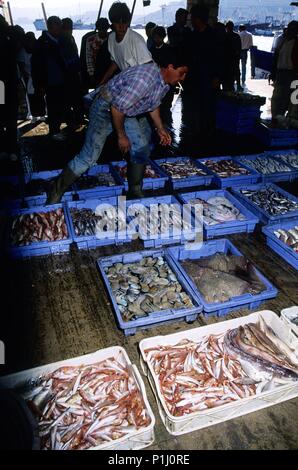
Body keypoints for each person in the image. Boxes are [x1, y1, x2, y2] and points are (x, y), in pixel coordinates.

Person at [46, 60, 188, 204]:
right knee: (89, 156)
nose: (182, 79)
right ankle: (56, 188)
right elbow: (116, 108)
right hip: (105, 108)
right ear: (170, 66)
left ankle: (135, 191)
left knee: (141, 147)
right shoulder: (145, 80)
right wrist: (121, 136)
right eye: (181, 74)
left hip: (124, 110)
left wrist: (160, 128)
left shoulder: (163, 82)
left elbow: (153, 105)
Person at [183, 5, 221, 137]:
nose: (191, 20)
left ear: (199, 19)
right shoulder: (191, 36)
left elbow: (219, 58)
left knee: (207, 108)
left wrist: (216, 77)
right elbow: (186, 57)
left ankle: (207, 136)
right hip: (192, 78)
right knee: (192, 108)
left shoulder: (213, 36)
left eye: (193, 18)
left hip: (208, 78)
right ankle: (193, 134)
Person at [31, 16, 69, 141]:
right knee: (53, 108)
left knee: (59, 106)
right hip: (49, 82)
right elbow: (36, 66)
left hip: (61, 81)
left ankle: (56, 129)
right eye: (57, 28)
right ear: (50, 28)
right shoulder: (41, 43)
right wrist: (39, 85)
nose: (59, 31)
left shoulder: (59, 40)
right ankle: (54, 131)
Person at [98, 3, 152, 85]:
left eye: (124, 22)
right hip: (128, 82)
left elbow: (149, 69)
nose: (122, 26)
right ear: (112, 22)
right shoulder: (111, 39)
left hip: (143, 84)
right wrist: (101, 82)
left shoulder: (136, 40)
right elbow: (115, 62)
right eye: (118, 23)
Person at [270, 21, 298, 123]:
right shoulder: (282, 42)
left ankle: (291, 121)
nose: (290, 31)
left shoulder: (296, 43)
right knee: (277, 98)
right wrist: (273, 72)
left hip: (294, 75)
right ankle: (276, 118)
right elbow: (276, 58)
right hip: (281, 73)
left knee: (294, 100)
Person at [0, 14, 18, 161]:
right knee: (11, 117)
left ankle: (4, 149)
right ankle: (12, 149)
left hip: (1, 84)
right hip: (10, 82)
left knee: (2, 115)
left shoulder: (9, 38)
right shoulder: (11, 38)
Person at [61, 18, 84, 128]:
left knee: (74, 99)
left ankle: (77, 119)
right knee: (71, 99)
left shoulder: (69, 38)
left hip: (72, 73)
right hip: (68, 74)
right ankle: (73, 121)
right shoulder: (64, 39)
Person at [150, 26, 176, 122]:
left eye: (158, 37)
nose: (156, 39)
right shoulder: (151, 50)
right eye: (155, 37)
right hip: (155, 83)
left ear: (163, 37)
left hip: (166, 82)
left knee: (166, 107)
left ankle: (167, 126)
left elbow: (172, 66)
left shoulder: (169, 50)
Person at [80, 18, 110, 93]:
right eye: (100, 29)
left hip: (109, 70)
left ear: (107, 28)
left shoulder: (111, 38)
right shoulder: (90, 40)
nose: (102, 31)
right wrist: (91, 74)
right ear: (97, 29)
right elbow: (89, 58)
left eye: (104, 29)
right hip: (96, 71)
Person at [223, 21, 242, 92]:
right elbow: (239, 48)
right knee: (236, 72)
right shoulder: (237, 36)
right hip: (235, 59)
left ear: (226, 27)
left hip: (226, 61)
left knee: (227, 79)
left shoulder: (225, 36)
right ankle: (238, 85)